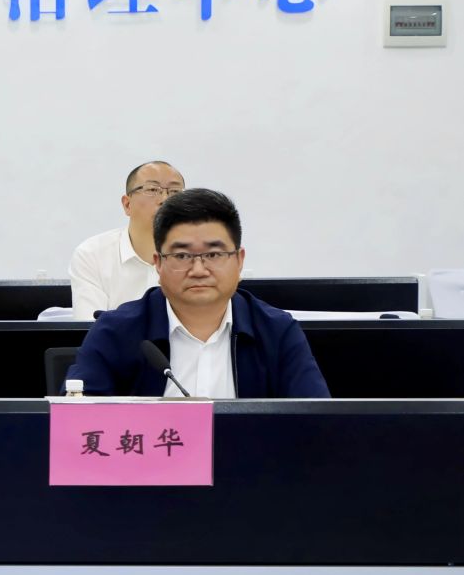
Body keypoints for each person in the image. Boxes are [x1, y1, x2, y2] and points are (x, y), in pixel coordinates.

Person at [66, 188, 329, 398]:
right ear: (158, 263)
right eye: (182, 256)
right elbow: (77, 427)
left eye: (214, 254)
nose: (199, 270)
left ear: (239, 260)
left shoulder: (276, 331)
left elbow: (316, 423)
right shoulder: (115, 331)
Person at [68, 161, 187, 320]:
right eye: (152, 189)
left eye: (175, 192)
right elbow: (90, 326)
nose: (165, 199)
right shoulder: (93, 254)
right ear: (127, 204)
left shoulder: (200, 256)